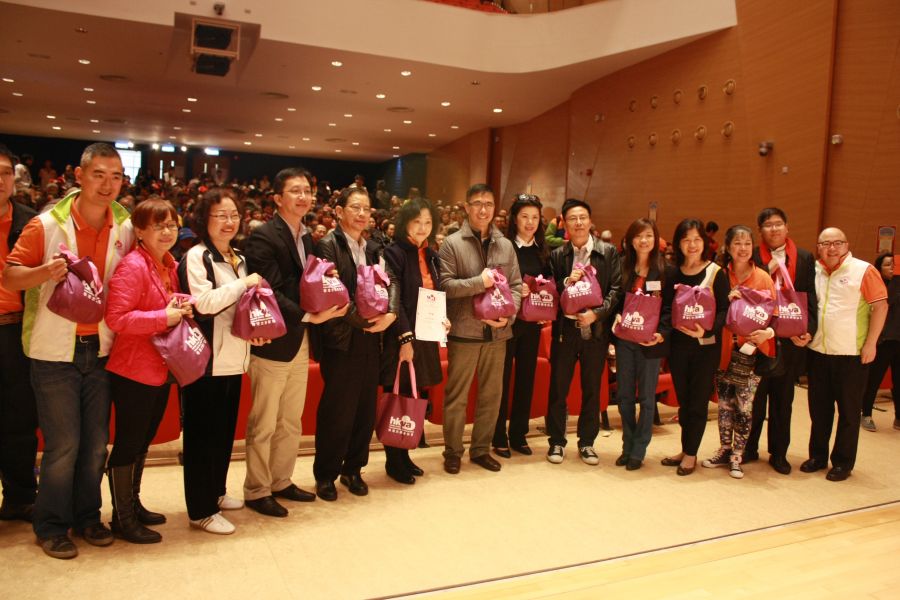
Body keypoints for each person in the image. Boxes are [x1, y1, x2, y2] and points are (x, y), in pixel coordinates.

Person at [3, 142, 135, 559]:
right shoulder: (45, 225)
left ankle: (88, 516)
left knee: (95, 444)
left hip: (101, 349)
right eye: (99, 175)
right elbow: (9, 276)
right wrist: (44, 272)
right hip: (53, 352)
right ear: (79, 176)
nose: (107, 185)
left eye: (116, 177)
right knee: (63, 446)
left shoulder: (125, 226)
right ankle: (51, 525)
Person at [242, 168, 346, 518]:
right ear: (277, 198)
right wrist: (307, 316)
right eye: (295, 191)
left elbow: (309, 284)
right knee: (264, 422)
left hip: (301, 339)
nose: (303, 197)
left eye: (307, 191)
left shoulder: (308, 238)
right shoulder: (263, 236)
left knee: (290, 420)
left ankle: (281, 480)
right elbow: (268, 289)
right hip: (273, 339)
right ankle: (257, 489)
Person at [178, 188, 268, 534]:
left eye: (234, 215)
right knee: (201, 437)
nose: (229, 222)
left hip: (234, 358)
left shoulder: (238, 257)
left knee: (223, 434)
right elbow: (203, 304)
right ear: (205, 219)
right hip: (204, 363)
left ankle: (215, 491)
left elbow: (242, 308)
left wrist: (254, 332)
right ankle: (200, 509)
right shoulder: (197, 256)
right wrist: (243, 284)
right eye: (221, 216)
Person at [104, 198, 190, 544]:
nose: (167, 232)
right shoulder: (133, 266)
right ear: (139, 231)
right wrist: (163, 317)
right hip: (133, 369)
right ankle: (122, 518)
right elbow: (116, 318)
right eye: (158, 226)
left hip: (159, 367)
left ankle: (133, 504)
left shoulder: (169, 264)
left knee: (143, 440)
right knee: (128, 442)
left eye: (171, 225)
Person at [313, 187, 398, 499]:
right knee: (338, 409)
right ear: (339, 212)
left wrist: (391, 312)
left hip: (371, 338)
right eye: (355, 208)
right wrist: (366, 322)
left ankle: (353, 469)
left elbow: (392, 282)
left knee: (364, 409)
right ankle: (326, 474)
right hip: (342, 338)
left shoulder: (374, 247)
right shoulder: (328, 245)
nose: (362, 214)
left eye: (367, 209)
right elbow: (332, 291)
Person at [439, 183, 522, 474]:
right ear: (466, 207)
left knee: (491, 395)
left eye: (488, 204)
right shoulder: (452, 243)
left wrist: (508, 317)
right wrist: (480, 282)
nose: (483, 209)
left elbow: (516, 287)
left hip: (498, 334)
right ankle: (452, 451)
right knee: (457, 397)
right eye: (477, 203)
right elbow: (445, 286)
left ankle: (481, 449)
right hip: (464, 332)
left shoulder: (506, 245)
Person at [802, 228, 888, 481]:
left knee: (849, 413)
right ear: (818, 247)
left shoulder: (863, 270)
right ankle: (817, 456)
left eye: (837, 243)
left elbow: (880, 307)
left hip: (852, 354)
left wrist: (871, 343)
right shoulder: (813, 271)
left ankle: (842, 462)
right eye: (825, 243)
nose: (831, 248)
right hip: (818, 352)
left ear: (847, 245)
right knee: (819, 410)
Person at [545, 199, 621, 465]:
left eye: (582, 218)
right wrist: (567, 281)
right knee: (558, 388)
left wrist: (596, 314)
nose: (578, 223)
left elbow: (615, 290)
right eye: (572, 219)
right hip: (565, 330)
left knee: (592, 389)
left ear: (590, 221)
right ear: (564, 224)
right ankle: (556, 441)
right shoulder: (557, 255)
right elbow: (551, 288)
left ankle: (587, 442)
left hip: (595, 330)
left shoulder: (608, 251)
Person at [745, 207, 818, 474]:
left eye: (778, 224)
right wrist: (768, 269)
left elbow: (810, 297)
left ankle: (779, 453)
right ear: (760, 231)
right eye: (768, 225)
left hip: (789, 340)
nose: (774, 229)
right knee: (754, 399)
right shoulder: (752, 256)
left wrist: (808, 330)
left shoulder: (805, 257)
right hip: (757, 337)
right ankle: (748, 448)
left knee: (783, 399)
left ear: (787, 227)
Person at [700, 225, 776, 479]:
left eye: (747, 243)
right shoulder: (720, 275)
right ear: (728, 247)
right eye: (737, 243)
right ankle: (724, 449)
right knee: (724, 404)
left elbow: (774, 315)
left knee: (744, 406)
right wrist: (726, 300)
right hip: (723, 350)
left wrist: (768, 333)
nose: (742, 248)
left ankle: (737, 455)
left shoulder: (763, 278)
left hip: (752, 351)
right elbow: (707, 308)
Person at [381, 198, 445, 484]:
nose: (422, 227)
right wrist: (404, 338)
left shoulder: (431, 254)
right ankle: (394, 461)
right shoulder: (393, 253)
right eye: (417, 221)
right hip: (402, 335)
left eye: (428, 222)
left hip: (426, 336)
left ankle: (405, 455)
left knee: (416, 397)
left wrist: (442, 319)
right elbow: (396, 301)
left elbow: (435, 294)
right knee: (399, 397)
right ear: (405, 222)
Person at [659, 219, 730, 476]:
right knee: (684, 401)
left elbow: (724, 310)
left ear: (705, 242)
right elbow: (666, 308)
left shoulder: (715, 272)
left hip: (705, 348)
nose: (692, 245)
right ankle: (685, 448)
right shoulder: (672, 272)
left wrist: (707, 330)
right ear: (679, 243)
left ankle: (691, 454)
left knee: (698, 402)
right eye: (686, 240)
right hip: (679, 347)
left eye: (697, 239)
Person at [492, 194, 551, 459]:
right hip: (505, 322)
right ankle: (498, 435)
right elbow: (493, 280)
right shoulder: (503, 247)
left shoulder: (542, 249)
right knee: (501, 380)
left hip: (531, 323)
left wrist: (543, 299)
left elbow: (549, 283)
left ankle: (518, 434)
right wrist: (515, 289)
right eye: (525, 216)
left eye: (535, 217)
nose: (530, 222)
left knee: (526, 378)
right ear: (514, 219)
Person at [0, 144, 38, 524]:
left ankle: (20, 497)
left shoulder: (31, 221)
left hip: (15, 331)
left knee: (20, 418)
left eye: (5, 173)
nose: (0, 180)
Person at [612, 218, 668, 471]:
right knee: (624, 396)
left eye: (648, 235)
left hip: (650, 343)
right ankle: (627, 444)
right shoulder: (622, 267)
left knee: (646, 397)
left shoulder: (664, 270)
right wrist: (615, 316)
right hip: (625, 341)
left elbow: (669, 308)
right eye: (638, 236)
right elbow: (614, 298)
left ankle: (639, 449)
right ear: (630, 240)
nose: (643, 241)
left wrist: (662, 333)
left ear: (655, 239)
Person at [860, 253, 900, 432]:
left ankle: (899, 417)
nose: (892, 268)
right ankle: (866, 413)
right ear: (879, 268)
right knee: (873, 380)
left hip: (898, 340)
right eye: (888, 265)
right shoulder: (879, 285)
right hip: (882, 341)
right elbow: (888, 301)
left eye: (895, 265)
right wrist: (896, 279)